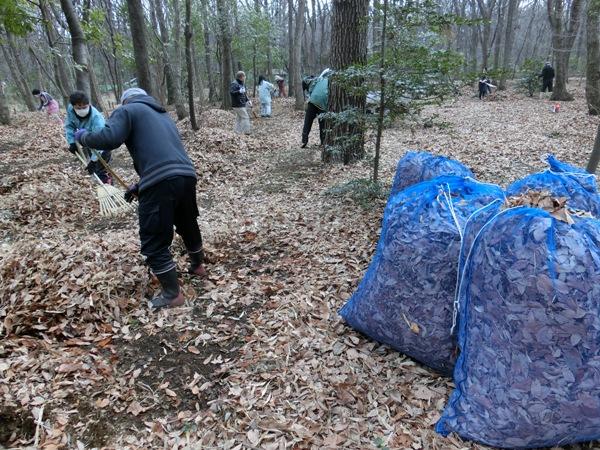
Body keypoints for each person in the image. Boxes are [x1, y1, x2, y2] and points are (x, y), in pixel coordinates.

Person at [74, 87, 206, 310]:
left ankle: (172, 295)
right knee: (187, 222)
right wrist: (140, 186)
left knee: (153, 239)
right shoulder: (163, 115)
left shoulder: (127, 110)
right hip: (186, 175)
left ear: (125, 100)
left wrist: (84, 137)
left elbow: (110, 138)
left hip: (161, 181)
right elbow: (163, 155)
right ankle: (198, 266)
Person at [64, 91, 113, 184]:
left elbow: (100, 142)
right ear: (73, 106)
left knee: (101, 169)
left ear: (89, 104)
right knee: (96, 171)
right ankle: (101, 183)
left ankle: (109, 187)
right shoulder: (71, 109)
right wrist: (72, 142)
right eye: (78, 108)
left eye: (84, 107)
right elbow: (69, 126)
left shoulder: (97, 119)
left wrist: (94, 161)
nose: (82, 110)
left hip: (103, 144)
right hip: (87, 140)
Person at [301, 69, 331, 148]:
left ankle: (304, 140)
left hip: (313, 100)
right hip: (323, 103)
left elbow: (311, 90)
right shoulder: (330, 82)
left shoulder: (318, 79)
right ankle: (323, 142)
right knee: (322, 123)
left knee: (308, 121)